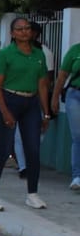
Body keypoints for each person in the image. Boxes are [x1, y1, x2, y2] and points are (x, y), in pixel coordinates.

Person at [0, 18, 51, 211]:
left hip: (31, 103)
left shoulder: (38, 54)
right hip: (9, 100)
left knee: (33, 150)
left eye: (27, 28)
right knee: (3, 150)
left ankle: (32, 194)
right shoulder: (6, 54)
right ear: (12, 33)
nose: (24, 32)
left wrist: (46, 113)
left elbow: (42, 84)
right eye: (19, 29)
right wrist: (4, 111)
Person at [51, 40, 80, 191]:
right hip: (75, 94)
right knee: (77, 137)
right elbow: (62, 76)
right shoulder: (75, 51)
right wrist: (54, 98)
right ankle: (77, 176)